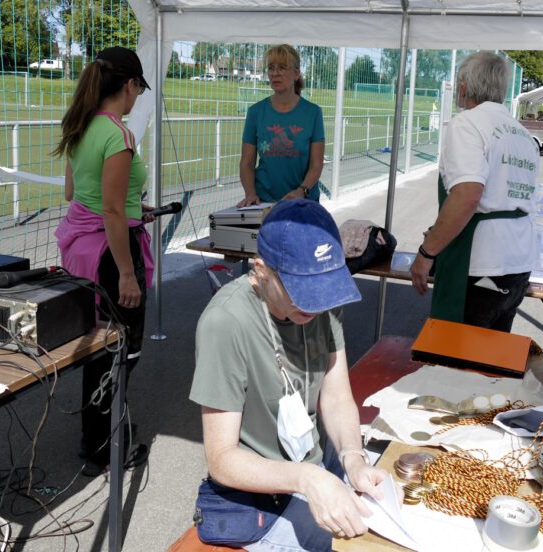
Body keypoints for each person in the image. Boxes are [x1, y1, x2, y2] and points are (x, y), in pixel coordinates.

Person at [190, 199, 387, 551]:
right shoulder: (226, 322)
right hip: (263, 495)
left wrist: (353, 458)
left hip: (315, 467)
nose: (315, 304)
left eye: (323, 288)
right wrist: (307, 479)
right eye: (301, 290)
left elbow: (337, 397)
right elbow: (222, 459)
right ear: (261, 270)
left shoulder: (322, 303)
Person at [54, 46, 153, 477]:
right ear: (129, 85)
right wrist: (127, 273)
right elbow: (110, 209)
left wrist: (133, 206)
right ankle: (105, 446)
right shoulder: (118, 134)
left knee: (97, 348)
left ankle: (96, 436)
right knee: (120, 350)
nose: (136, 98)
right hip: (111, 255)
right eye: (138, 90)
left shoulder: (81, 124)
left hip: (84, 250)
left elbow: (75, 194)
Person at [410, 51, 540, 332]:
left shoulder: (467, 123)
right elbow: (503, 197)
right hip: (519, 261)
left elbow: (468, 195)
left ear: (463, 85)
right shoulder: (521, 134)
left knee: (457, 351)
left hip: (480, 262)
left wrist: (426, 253)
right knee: (491, 352)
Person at [238, 44, 325, 206]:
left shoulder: (313, 113)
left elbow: (316, 164)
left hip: (303, 203)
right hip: (265, 203)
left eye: (282, 67)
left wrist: (302, 191)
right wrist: (250, 193)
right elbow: (246, 162)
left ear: (296, 74)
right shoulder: (255, 112)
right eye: (271, 68)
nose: (275, 73)